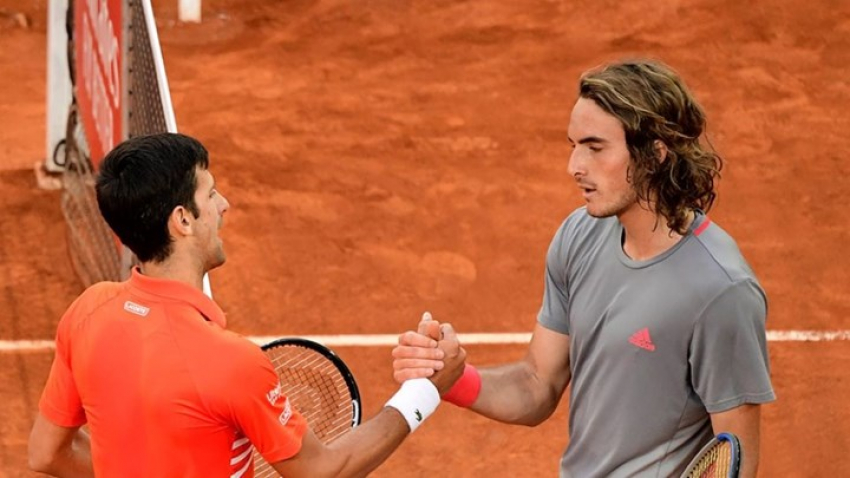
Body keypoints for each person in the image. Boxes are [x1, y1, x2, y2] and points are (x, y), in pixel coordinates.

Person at [392, 59, 775, 478]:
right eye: (574, 145)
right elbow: (538, 383)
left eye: (595, 148)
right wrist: (453, 378)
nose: (574, 166)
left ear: (654, 155)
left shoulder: (720, 291)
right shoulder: (580, 235)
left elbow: (734, 462)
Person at [28, 132, 465, 477]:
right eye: (211, 194)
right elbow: (323, 470)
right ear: (182, 220)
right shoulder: (230, 362)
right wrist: (425, 391)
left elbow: (47, 453)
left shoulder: (87, 313)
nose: (224, 205)